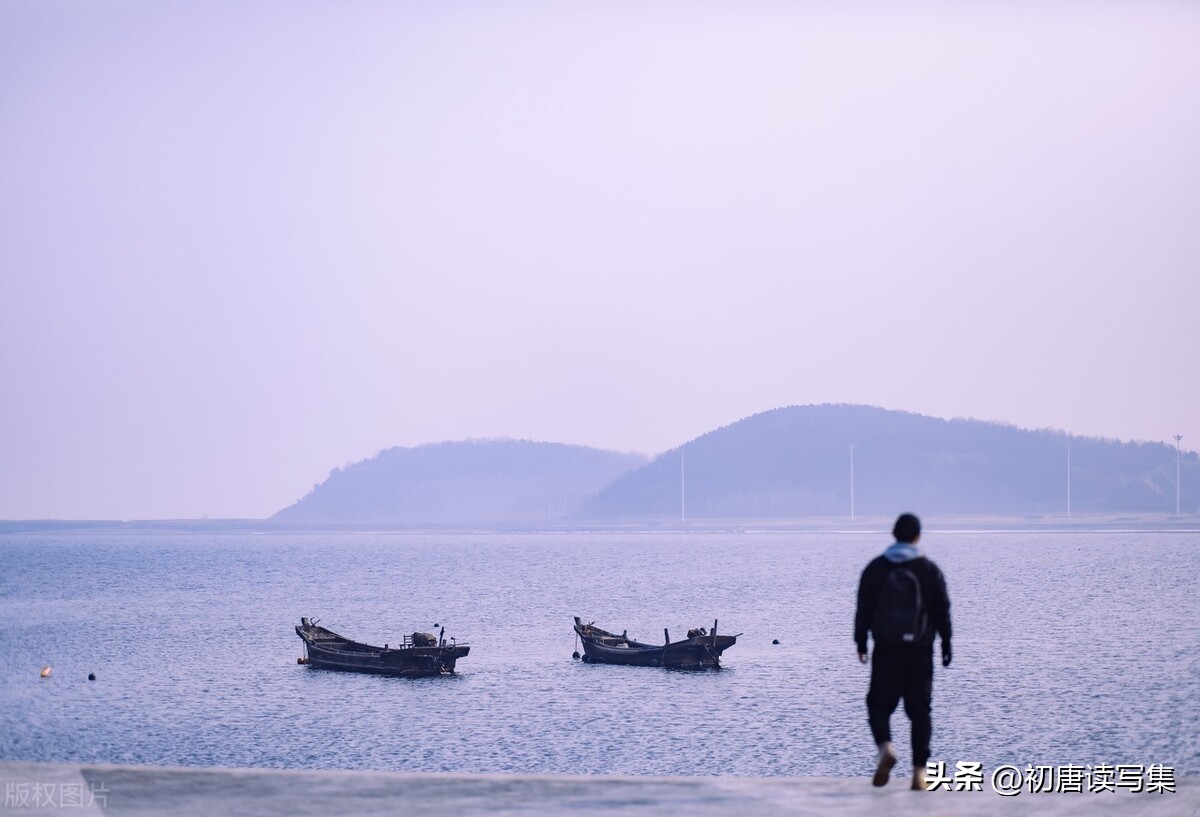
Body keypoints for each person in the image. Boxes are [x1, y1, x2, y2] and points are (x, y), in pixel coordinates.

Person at [854, 513, 952, 790]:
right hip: (920, 650)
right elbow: (941, 609)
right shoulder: (928, 570)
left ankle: (885, 748)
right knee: (920, 711)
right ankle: (919, 773)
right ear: (918, 536)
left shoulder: (875, 569)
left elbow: (863, 608)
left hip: (886, 649)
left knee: (878, 704)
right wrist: (946, 642)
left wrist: (860, 642)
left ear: (893, 535)